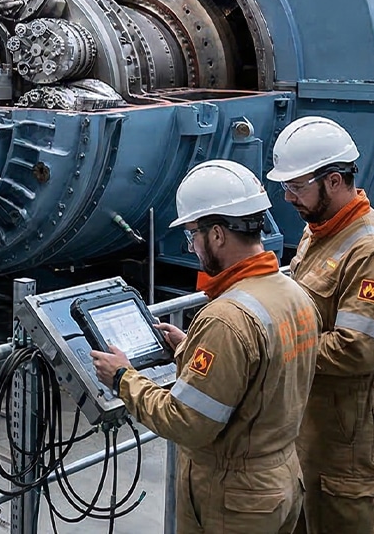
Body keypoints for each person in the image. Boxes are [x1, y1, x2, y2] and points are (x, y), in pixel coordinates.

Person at [92, 160, 319, 534]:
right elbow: (259, 375)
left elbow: (188, 423)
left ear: (216, 236)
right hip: (281, 479)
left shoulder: (225, 318)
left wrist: (122, 378)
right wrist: (186, 349)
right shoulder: (292, 292)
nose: (193, 247)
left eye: (193, 236)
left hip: (234, 499)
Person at [266, 116, 374, 534]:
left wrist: (272, 348)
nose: (289, 197)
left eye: (296, 186)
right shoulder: (318, 232)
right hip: (310, 419)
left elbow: (359, 349)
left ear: (333, 181)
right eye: (285, 186)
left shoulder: (372, 253)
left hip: (348, 432)